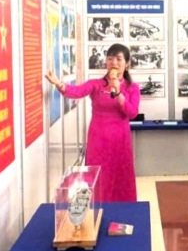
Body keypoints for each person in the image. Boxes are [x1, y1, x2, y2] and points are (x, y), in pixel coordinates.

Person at [45, 43, 140, 202]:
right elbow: (76, 92)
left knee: (120, 178)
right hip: (98, 140)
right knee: (98, 177)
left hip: (120, 141)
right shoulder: (96, 84)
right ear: (106, 62)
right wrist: (58, 83)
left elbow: (132, 113)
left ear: (127, 63)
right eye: (110, 59)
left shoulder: (132, 88)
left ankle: (123, 212)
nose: (114, 63)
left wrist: (118, 92)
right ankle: (97, 213)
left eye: (119, 59)